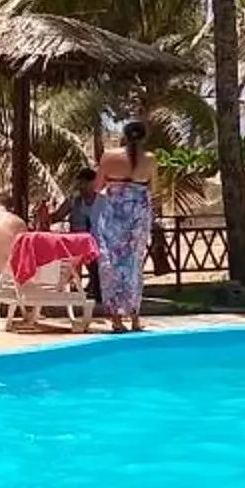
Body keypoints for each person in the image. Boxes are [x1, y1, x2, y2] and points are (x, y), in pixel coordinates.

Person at [90, 120, 156, 333]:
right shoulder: (150, 159)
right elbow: (153, 188)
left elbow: (98, 186)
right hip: (138, 215)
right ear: (144, 137)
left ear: (124, 136)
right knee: (134, 265)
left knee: (110, 264)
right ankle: (136, 317)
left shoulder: (109, 156)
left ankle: (117, 319)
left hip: (113, 216)